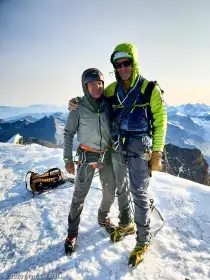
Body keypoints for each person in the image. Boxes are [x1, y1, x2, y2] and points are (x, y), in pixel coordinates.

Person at [69, 43, 167, 267]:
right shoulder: (113, 89)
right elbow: (95, 96)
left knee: (139, 193)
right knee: (122, 187)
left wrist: (157, 153)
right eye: (118, 64)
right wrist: (76, 101)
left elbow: (160, 123)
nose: (122, 68)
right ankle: (128, 223)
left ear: (134, 63)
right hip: (118, 147)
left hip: (141, 149)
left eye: (126, 63)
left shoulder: (150, 89)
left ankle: (143, 241)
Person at [63, 68, 117, 255]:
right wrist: (68, 158)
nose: (97, 87)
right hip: (87, 156)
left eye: (100, 83)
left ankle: (103, 218)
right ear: (85, 87)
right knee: (79, 196)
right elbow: (69, 133)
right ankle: (72, 233)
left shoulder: (107, 104)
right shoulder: (78, 108)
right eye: (92, 84)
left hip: (106, 155)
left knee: (110, 193)